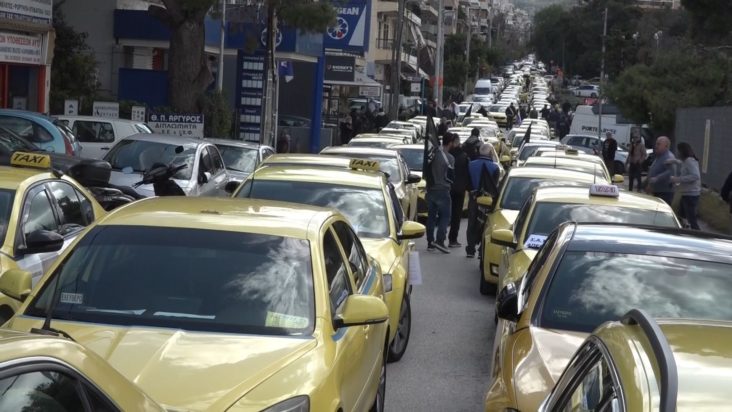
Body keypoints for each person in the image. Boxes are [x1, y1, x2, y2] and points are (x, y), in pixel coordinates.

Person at [465, 144, 500, 258]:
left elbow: (467, 182)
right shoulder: (495, 168)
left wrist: (473, 192)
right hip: (488, 200)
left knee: (471, 222)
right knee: (484, 223)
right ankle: (481, 251)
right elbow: (495, 186)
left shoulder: (470, 165)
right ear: (490, 154)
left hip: (473, 198)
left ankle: (470, 249)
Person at [426, 133, 458, 253]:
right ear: (450, 143)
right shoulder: (450, 158)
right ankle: (440, 241)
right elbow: (451, 176)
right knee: (445, 216)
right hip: (443, 190)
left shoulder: (432, 155)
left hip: (431, 189)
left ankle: (430, 242)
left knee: (431, 216)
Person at [669, 142, 701, 229]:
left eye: (678, 151)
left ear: (682, 151)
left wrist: (678, 179)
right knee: (681, 215)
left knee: (691, 219)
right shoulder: (686, 161)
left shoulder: (689, 161)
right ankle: (685, 229)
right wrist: (674, 161)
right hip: (687, 193)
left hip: (691, 194)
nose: (677, 153)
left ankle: (697, 233)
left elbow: (695, 176)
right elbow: (682, 163)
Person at [448, 138, 470, 248]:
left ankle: (438, 239)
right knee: (456, 215)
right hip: (460, 189)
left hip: (448, 187)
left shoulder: (448, 155)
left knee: (446, 213)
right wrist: (468, 187)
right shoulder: (464, 156)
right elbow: (467, 173)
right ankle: (453, 239)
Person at [647, 136, 676, 205]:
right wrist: (649, 184)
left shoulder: (669, 157)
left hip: (665, 193)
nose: (656, 146)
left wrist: (657, 178)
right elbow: (654, 170)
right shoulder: (660, 156)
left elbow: (671, 172)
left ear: (666, 146)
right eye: (656, 144)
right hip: (658, 191)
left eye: (658, 144)